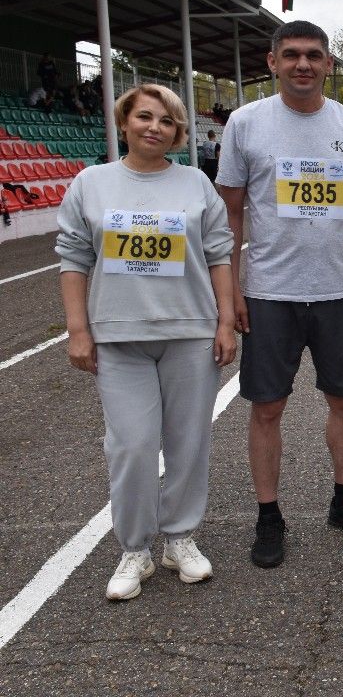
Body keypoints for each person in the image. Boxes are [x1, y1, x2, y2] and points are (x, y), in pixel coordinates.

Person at [216, 20, 343, 569]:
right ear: (271, 62)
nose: (303, 65)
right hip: (270, 293)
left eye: (314, 55)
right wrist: (234, 295)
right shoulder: (245, 125)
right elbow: (230, 214)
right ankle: (269, 516)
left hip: (339, 291)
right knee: (267, 407)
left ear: (329, 65)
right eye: (291, 55)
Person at [56, 84, 236, 600]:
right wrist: (78, 331)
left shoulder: (196, 185)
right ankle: (134, 549)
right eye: (144, 117)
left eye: (167, 121)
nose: (154, 127)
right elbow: (73, 259)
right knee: (132, 446)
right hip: (118, 338)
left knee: (188, 444)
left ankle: (180, 538)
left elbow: (220, 254)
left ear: (179, 132)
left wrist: (225, 323)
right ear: (125, 120)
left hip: (190, 333)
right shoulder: (91, 184)